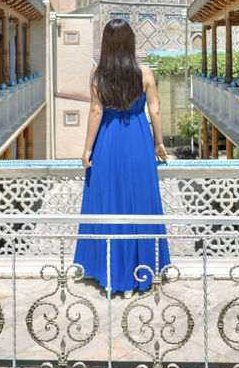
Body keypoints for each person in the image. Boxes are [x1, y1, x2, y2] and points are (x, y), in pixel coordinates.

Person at [73, 18, 170, 296]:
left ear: (105, 44)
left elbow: (95, 112)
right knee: (139, 204)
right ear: (130, 43)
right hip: (138, 141)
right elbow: (156, 111)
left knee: (110, 204)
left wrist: (87, 148)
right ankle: (141, 274)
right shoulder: (145, 73)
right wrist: (159, 144)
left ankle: (111, 274)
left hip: (108, 142)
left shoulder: (97, 74)